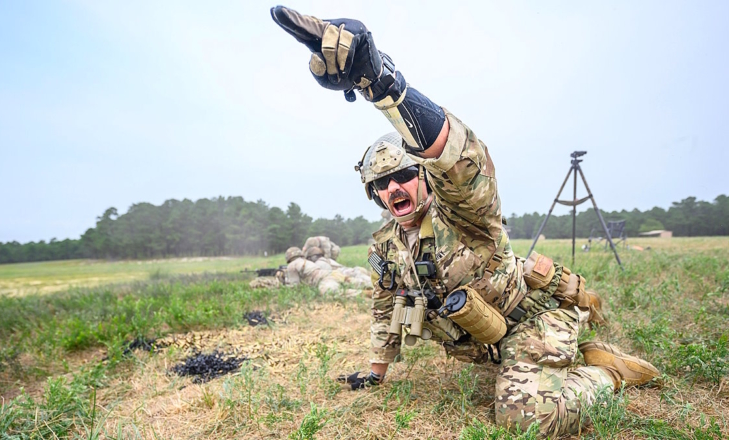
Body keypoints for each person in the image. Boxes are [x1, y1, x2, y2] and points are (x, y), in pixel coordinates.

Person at [271, 6, 659, 437]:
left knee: (524, 421)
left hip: (529, 322)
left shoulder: (462, 215)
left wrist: (383, 84)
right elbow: (386, 307)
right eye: (382, 183)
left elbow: (457, 161)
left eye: (403, 176)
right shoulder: (385, 246)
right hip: (483, 344)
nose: (394, 189)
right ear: (372, 192)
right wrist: (376, 373)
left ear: (423, 177)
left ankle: (608, 373)